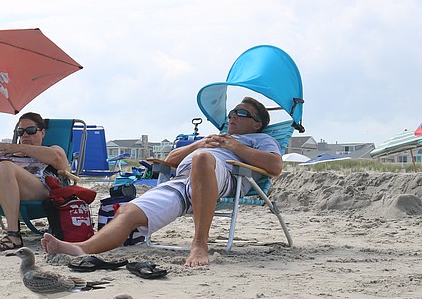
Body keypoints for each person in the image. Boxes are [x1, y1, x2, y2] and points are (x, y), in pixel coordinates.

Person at [41, 97, 283, 267]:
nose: (232, 116)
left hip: (226, 178)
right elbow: (170, 160)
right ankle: (82, 248)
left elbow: (274, 167)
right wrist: (199, 144)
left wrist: (234, 146)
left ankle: (199, 244)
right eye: (231, 113)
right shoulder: (211, 141)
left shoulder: (259, 139)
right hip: (183, 181)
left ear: (257, 123)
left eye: (241, 114)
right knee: (127, 211)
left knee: (201, 160)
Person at [0, 111, 69, 251]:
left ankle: (14, 234)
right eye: (21, 131)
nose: (25, 135)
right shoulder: (9, 152)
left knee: (5, 166)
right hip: (5, 192)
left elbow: (59, 160)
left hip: (40, 191)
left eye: (30, 130)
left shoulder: (52, 149)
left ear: (42, 132)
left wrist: (18, 147)